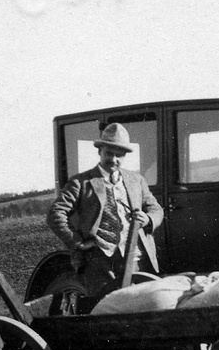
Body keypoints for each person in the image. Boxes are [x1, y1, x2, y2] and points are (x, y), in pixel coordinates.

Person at [47, 123, 164, 297]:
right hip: (100, 262)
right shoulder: (81, 182)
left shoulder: (136, 180)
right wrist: (77, 242)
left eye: (119, 155)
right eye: (109, 153)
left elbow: (156, 209)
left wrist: (147, 219)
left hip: (136, 257)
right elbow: (55, 214)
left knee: (140, 306)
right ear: (100, 151)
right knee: (104, 308)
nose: (114, 160)